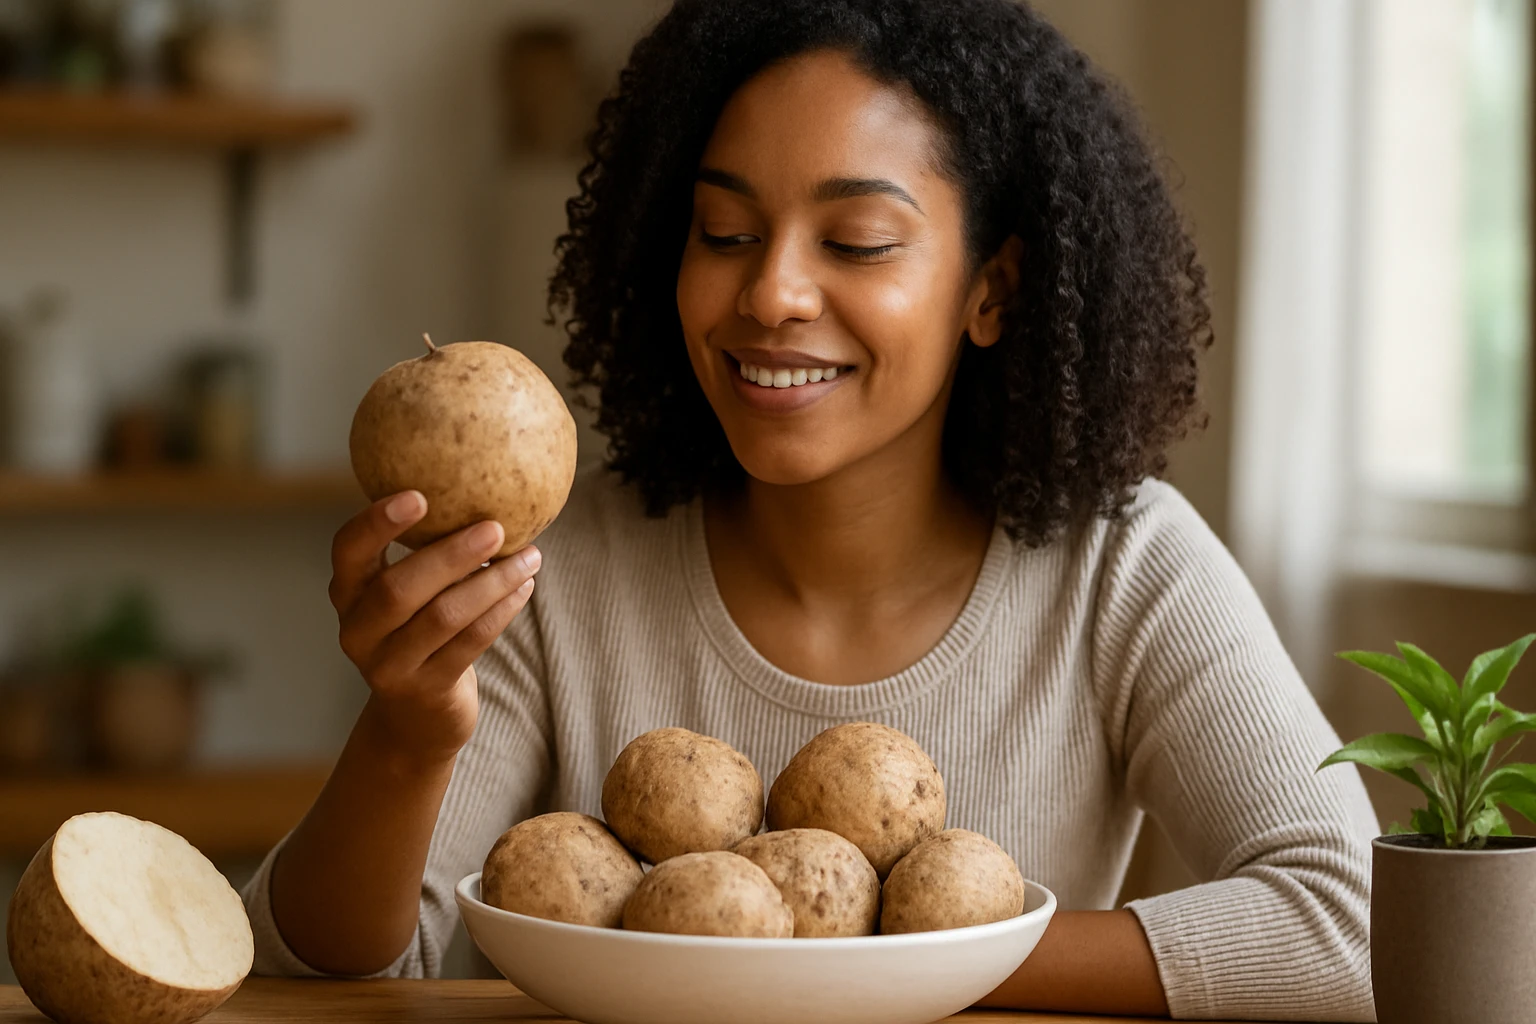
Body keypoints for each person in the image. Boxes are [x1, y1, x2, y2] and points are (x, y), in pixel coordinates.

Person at [240, 1, 1379, 1019]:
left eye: (856, 242)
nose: (770, 293)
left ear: (993, 290)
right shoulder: (553, 571)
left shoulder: (1124, 568)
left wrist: (868, 964)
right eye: (725, 234)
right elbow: (322, 978)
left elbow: (1357, 926)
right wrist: (405, 735)